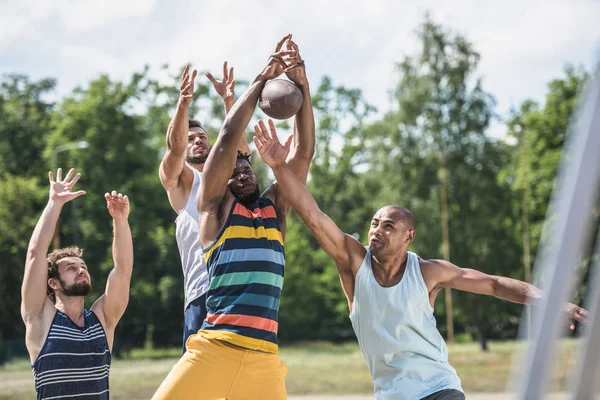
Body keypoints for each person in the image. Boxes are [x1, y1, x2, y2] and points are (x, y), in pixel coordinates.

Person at [252, 123, 590, 400]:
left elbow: (494, 284)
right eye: (374, 223)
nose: (377, 231)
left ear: (408, 236)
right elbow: (312, 215)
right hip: (390, 394)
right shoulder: (353, 263)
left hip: (439, 389)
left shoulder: (428, 272)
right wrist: (279, 166)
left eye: (388, 226)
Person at [152, 34, 314, 400]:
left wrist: (303, 88)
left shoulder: (275, 210)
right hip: (213, 348)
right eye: (233, 166)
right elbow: (227, 136)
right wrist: (260, 80)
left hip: (265, 358)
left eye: (247, 164)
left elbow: (303, 154)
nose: (241, 169)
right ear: (217, 180)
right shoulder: (213, 211)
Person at [158, 62, 251, 350]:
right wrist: (183, 104)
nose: (198, 140)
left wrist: (229, 101)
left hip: (242, 291)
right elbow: (173, 149)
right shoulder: (183, 182)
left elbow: (240, 148)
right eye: (191, 138)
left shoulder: (229, 180)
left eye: (202, 137)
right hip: (204, 294)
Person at [21, 168, 133, 400]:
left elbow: (123, 271)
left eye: (83, 266)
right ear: (52, 283)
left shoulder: (103, 319)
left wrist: (120, 221)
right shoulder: (40, 318)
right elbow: (35, 253)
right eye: (71, 268)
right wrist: (54, 203)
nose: (82, 270)